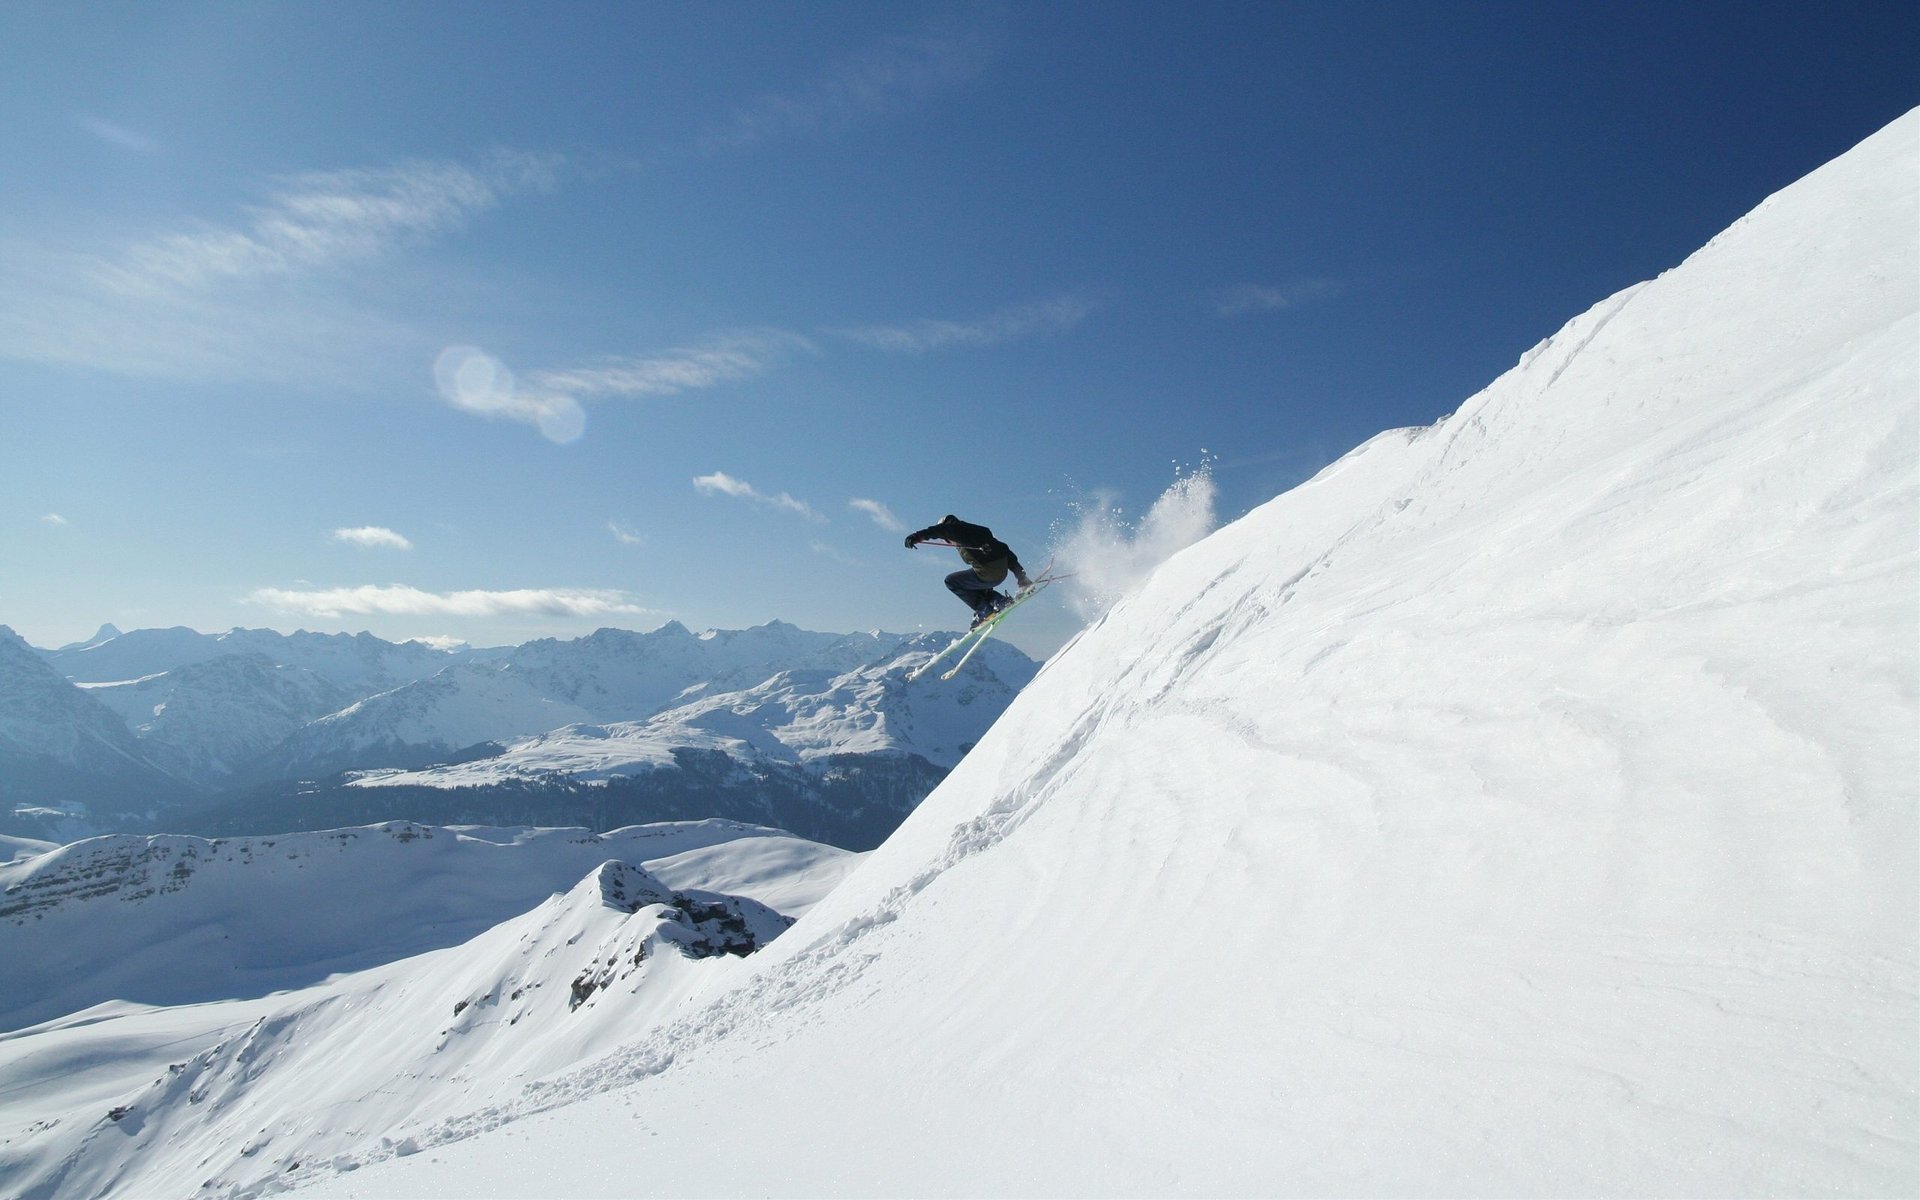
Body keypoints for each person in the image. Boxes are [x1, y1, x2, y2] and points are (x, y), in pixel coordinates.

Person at [904, 515, 1034, 628]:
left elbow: (941, 530)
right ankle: (998, 600)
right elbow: (1005, 551)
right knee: (972, 581)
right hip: (1000, 573)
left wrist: (917, 536)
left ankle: (984, 610)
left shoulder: (955, 529)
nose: (948, 542)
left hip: (987, 573)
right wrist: (1022, 578)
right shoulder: (978, 532)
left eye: (946, 540)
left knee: (951, 581)